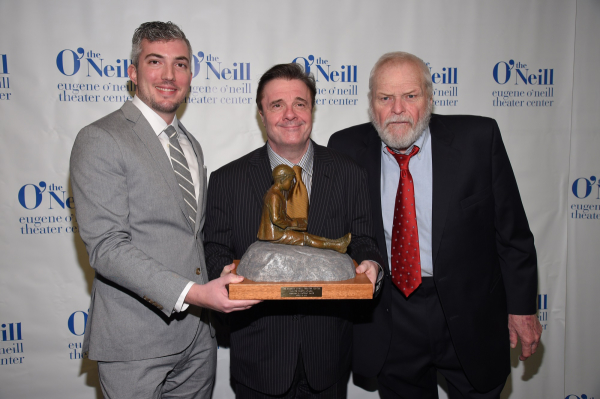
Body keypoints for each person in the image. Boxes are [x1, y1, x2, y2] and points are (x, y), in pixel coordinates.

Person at [328, 52, 542, 399]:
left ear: (428, 98)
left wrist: (522, 309)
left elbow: (512, 233)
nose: (397, 108)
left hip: (470, 315)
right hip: (391, 314)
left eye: (410, 96)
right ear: (371, 104)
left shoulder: (478, 138)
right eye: (385, 98)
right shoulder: (346, 147)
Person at [70, 21, 258, 399]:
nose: (170, 75)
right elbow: (107, 247)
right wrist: (194, 293)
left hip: (196, 340)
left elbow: (188, 238)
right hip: (134, 343)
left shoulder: (191, 144)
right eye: (155, 61)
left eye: (181, 64)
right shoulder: (101, 138)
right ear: (132, 72)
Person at [204, 63, 385, 398]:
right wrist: (223, 270)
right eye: (277, 105)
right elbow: (214, 247)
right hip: (260, 355)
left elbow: (363, 239)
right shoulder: (227, 180)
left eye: (300, 103)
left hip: (328, 354)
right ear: (261, 114)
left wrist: (371, 264)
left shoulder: (349, 174)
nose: (290, 115)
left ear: (312, 109)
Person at [258, 164, 351, 253]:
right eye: (290, 181)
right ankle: (336, 246)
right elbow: (276, 219)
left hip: (277, 232)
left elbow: (281, 214)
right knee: (306, 238)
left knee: (307, 235)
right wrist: (292, 223)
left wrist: (294, 220)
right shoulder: (274, 196)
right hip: (275, 235)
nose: (292, 184)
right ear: (282, 180)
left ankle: (336, 243)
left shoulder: (275, 193)